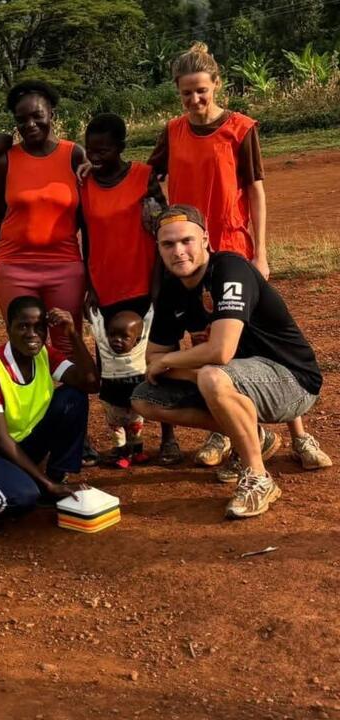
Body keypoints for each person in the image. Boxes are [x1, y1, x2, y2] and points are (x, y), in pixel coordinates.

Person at [149, 42, 331, 471]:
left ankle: (299, 433)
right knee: (204, 338)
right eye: (186, 93)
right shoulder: (173, 131)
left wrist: (260, 251)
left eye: (201, 90)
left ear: (216, 85)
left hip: (232, 245)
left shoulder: (240, 129)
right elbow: (148, 174)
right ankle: (227, 430)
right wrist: (95, 170)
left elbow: (255, 191)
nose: (195, 100)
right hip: (190, 251)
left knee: (257, 338)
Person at [131, 206, 323, 519]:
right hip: (237, 379)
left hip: (292, 381)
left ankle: (258, 477)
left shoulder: (230, 270)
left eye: (186, 241)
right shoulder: (171, 290)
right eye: (168, 244)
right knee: (145, 398)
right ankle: (254, 436)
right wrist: (181, 369)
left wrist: (170, 361)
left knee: (212, 376)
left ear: (205, 239)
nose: (178, 251)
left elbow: (220, 351)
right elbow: (151, 358)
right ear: (159, 248)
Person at [0, 81, 86, 355]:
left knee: (68, 345)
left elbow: (85, 215)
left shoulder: (74, 155)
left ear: (52, 114)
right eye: (21, 120)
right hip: (15, 269)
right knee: (24, 347)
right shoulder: (5, 162)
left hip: (65, 267)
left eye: (37, 116)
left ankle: (68, 388)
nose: (30, 124)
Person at [0, 297, 99, 534]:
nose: (32, 334)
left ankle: (56, 476)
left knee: (73, 397)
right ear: (8, 329)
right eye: (23, 326)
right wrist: (45, 485)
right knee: (21, 499)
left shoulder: (44, 355)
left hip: (19, 443)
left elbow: (90, 383)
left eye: (39, 327)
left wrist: (72, 334)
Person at [80, 112, 180, 465]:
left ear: (121, 147)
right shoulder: (84, 184)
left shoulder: (143, 177)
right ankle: (127, 443)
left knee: (157, 362)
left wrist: (158, 285)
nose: (96, 157)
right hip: (105, 289)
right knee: (114, 369)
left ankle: (168, 436)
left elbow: (161, 230)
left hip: (144, 286)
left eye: (104, 150)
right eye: (91, 150)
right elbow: (86, 237)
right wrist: (90, 285)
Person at [87, 307, 151, 469]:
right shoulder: (105, 350)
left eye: (124, 337)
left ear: (137, 340)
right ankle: (123, 455)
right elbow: (98, 328)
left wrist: (152, 304)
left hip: (135, 404)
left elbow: (148, 323)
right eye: (113, 335)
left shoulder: (140, 350)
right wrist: (91, 310)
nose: (117, 340)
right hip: (112, 403)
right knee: (118, 431)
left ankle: (137, 452)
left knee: (136, 429)